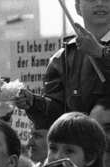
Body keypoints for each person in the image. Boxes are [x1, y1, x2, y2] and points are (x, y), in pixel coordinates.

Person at [15, 0, 110, 129]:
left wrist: (102, 53)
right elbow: (57, 115)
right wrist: (34, 103)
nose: (99, 3)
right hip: (80, 143)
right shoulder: (62, 57)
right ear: (77, 7)